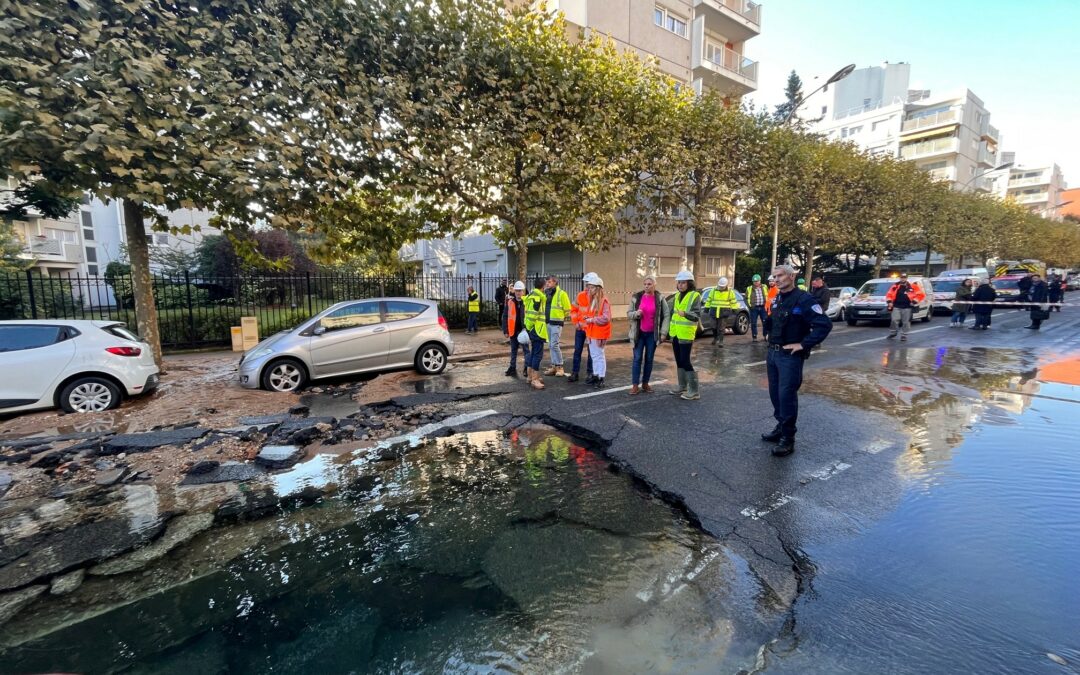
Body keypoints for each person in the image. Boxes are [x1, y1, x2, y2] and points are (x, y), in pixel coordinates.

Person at [762, 264, 833, 456]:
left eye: (780, 276)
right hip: (773, 353)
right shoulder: (777, 298)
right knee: (775, 394)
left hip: (789, 357)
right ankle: (780, 426)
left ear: (792, 276)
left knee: (786, 396)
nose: (776, 279)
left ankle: (788, 438)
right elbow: (772, 321)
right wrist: (766, 332)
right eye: (774, 276)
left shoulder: (804, 299)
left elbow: (824, 325)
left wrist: (803, 344)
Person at [663, 270, 703, 401]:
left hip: (686, 333)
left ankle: (694, 390)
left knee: (685, 361)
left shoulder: (694, 296)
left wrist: (685, 314)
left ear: (689, 283)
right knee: (679, 361)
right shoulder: (677, 296)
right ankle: (682, 386)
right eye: (679, 282)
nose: (680, 285)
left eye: (683, 283)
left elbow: (697, 316)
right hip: (675, 333)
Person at [628, 276, 669, 395]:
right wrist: (636, 314)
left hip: (652, 334)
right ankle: (635, 385)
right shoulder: (637, 297)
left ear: (654, 285)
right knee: (637, 359)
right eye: (645, 284)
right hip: (639, 334)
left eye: (649, 284)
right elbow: (629, 314)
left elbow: (666, 315)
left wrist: (663, 332)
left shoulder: (660, 298)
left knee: (649, 359)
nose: (646, 286)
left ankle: (645, 383)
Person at [583, 277, 612, 388]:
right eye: (589, 287)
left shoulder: (603, 301)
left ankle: (600, 377)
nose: (590, 289)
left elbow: (606, 318)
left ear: (598, 288)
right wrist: (589, 318)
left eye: (592, 287)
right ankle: (596, 375)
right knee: (595, 356)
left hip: (599, 333)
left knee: (599, 356)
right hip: (592, 332)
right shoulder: (594, 301)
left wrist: (591, 320)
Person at [542, 275, 573, 378]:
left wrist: (560, 317)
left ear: (555, 282)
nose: (547, 283)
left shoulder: (561, 294)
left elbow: (568, 309)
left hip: (556, 323)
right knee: (550, 345)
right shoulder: (546, 293)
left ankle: (560, 366)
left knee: (554, 344)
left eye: (549, 282)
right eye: (547, 282)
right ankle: (554, 366)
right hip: (548, 322)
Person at [567, 274, 596, 383]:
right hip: (580, 329)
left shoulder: (597, 298)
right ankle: (575, 373)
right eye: (587, 284)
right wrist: (576, 322)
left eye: (590, 285)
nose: (588, 287)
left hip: (591, 329)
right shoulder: (580, 295)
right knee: (577, 351)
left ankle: (590, 373)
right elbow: (573, 309)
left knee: (591, 352)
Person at [523, 278, 548, 389]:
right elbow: (533, 315)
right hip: (537, 330)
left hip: (533, 329)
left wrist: (528, 327)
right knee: (537, 354)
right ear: (543, 286)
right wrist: (531, 327)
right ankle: (534, 379)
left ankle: (530, 376)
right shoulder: (537, 298)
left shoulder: (532, 295)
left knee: (533, 353)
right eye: (545, 285)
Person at [885, 273, 925, 341]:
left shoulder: (913, 286)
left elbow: (920, 295)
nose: (903, 279)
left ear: (906, 278)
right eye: (902, 277)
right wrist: (889, 302)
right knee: (894, 320)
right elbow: (889, 294)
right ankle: (893, 332)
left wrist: (914, 302)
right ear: (900, 278)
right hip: (896, 306)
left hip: (907, 307)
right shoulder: (895, 286)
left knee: (906, 322)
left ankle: (904, 335)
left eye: (904, 277)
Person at [705, 277, 739, 346]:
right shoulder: (713, 290)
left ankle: (721, 341)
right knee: (713, 326)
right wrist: (707, 307)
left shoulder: (730, 292)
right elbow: (709, 300)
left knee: (721, 328)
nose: (721, 287)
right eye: (720, 286)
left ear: (726, 285)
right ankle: (715, 338)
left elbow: (733, 301)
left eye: (723, 286)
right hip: (714, 311)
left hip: (724, 312)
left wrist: (735, 309)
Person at [504, 281, 527, 377]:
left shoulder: (527, 302)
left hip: (524, 331)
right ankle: (512, 368)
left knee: (526, 350)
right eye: (517, 290)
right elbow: (505, 316)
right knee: (513, 350)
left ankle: (527, 368)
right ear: (515, 291)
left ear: (523, 291)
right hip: (513, 330)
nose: (518, 292)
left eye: (520, 291)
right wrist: (505, 330)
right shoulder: (510, 302)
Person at [745, 274, 768, 342]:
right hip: (754, 308)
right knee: (753, 323)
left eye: (757, 281)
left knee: (765, 322)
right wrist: (750, 306)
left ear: (760, 281)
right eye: (754, 281)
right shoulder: (749, 288)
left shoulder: (765, 287)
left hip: (763, 307)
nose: (756, 282)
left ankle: (765, 336)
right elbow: (745, 298)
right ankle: (754, 337)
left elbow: (768, 295)